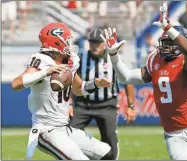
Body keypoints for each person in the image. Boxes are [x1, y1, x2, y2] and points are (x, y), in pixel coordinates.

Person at [100, 3, 187, 160]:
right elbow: (127, 77)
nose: (164, 48)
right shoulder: (155, 59)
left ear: (181, 43)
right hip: (176, 135)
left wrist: (169, 29)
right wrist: (114, 57)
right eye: (164, 43)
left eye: (170, 43)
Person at [11, 22, 114, 160]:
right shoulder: (42, 61)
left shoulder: (69, 60)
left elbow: (79, 90)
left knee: (107, 153)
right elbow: (16, 84)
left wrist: (95, 83)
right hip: (46, 130)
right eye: (67, 40)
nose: (69, 44)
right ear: (57, 43)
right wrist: (45, 72)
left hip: (65, 128)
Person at [69, 28, 136, 160]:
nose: (95, 46)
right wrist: (70, 103)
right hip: (84, 104)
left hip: (107, 105)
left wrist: (131, 106)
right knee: (70, 134)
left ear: (104, 43)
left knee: (109, 138)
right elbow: (73, 82)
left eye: (98, 42)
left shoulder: (114, 59)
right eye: (92, 42)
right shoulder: (81, 59)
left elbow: (128, 81)